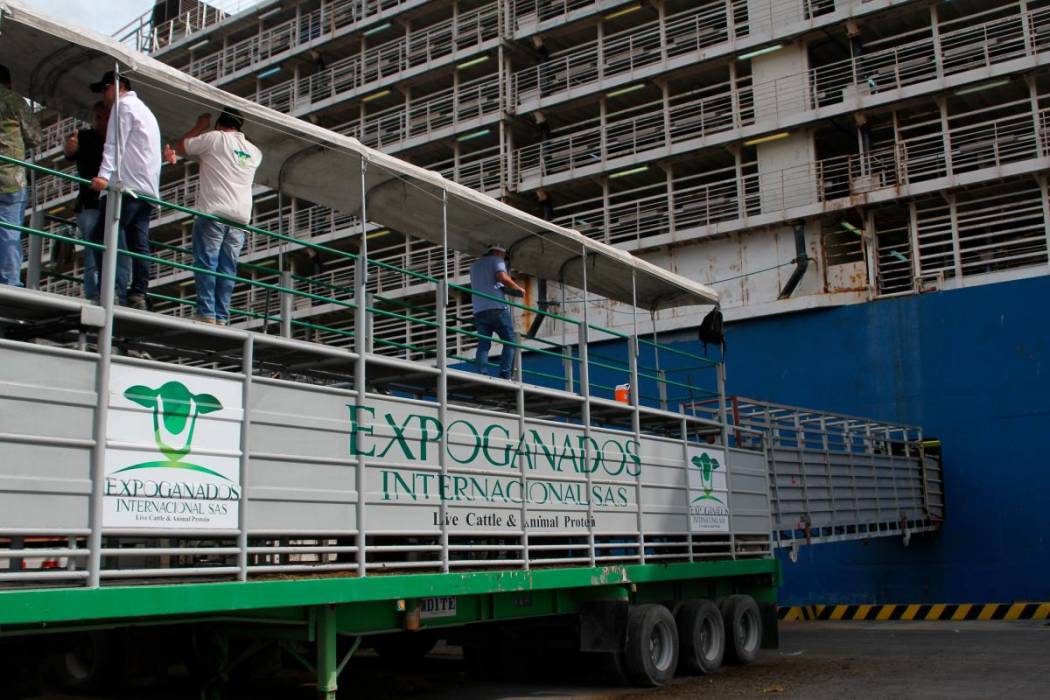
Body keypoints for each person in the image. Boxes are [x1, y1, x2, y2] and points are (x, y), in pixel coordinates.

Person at [164, 108, 262, 325]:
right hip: (241, 218)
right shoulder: (255, 152)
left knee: (207, 263)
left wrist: (200, 125)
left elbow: (182, 147)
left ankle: (207, 312)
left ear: (220, 124)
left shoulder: (215, 138)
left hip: (215, 212)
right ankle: (221, 316)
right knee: (228, 268)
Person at [89, 70, 161, 309]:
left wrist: (102, 177)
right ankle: (138, 292)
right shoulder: (146, 110)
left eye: (104, 88)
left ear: (117, 86)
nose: (103, 94)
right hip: (147, 189)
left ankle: (106, 291)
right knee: (138, 243)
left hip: (126, 187)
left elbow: (113, 145)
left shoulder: (123, 107)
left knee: (100, 237)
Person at [64, 101, 117, 300]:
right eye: (99, 117)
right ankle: (95, 295)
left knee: (115, 250)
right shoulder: (85, 136)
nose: (102, 121)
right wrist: (70, 146)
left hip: (113, 203)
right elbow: (70, 153)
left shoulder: (118, 139)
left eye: (107, 117)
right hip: (90, 204)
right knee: (94, 253)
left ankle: (113, 292)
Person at [0, 64, 40, 287]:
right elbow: (34, 137)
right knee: (9, 231)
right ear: (8, 83)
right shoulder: (15, 101)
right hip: (10, 176)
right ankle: (10, 283)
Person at [469, 243, 526, 380]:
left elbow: (490, 284)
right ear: (499, 253)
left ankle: (481, 373)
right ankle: (505, 375)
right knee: (510, 341)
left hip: (478, 310)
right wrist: (519, 289)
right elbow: (502, 277)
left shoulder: (474, 266)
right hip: (496, 307)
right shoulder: (497, 260)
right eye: (504, 255)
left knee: (484, 343)